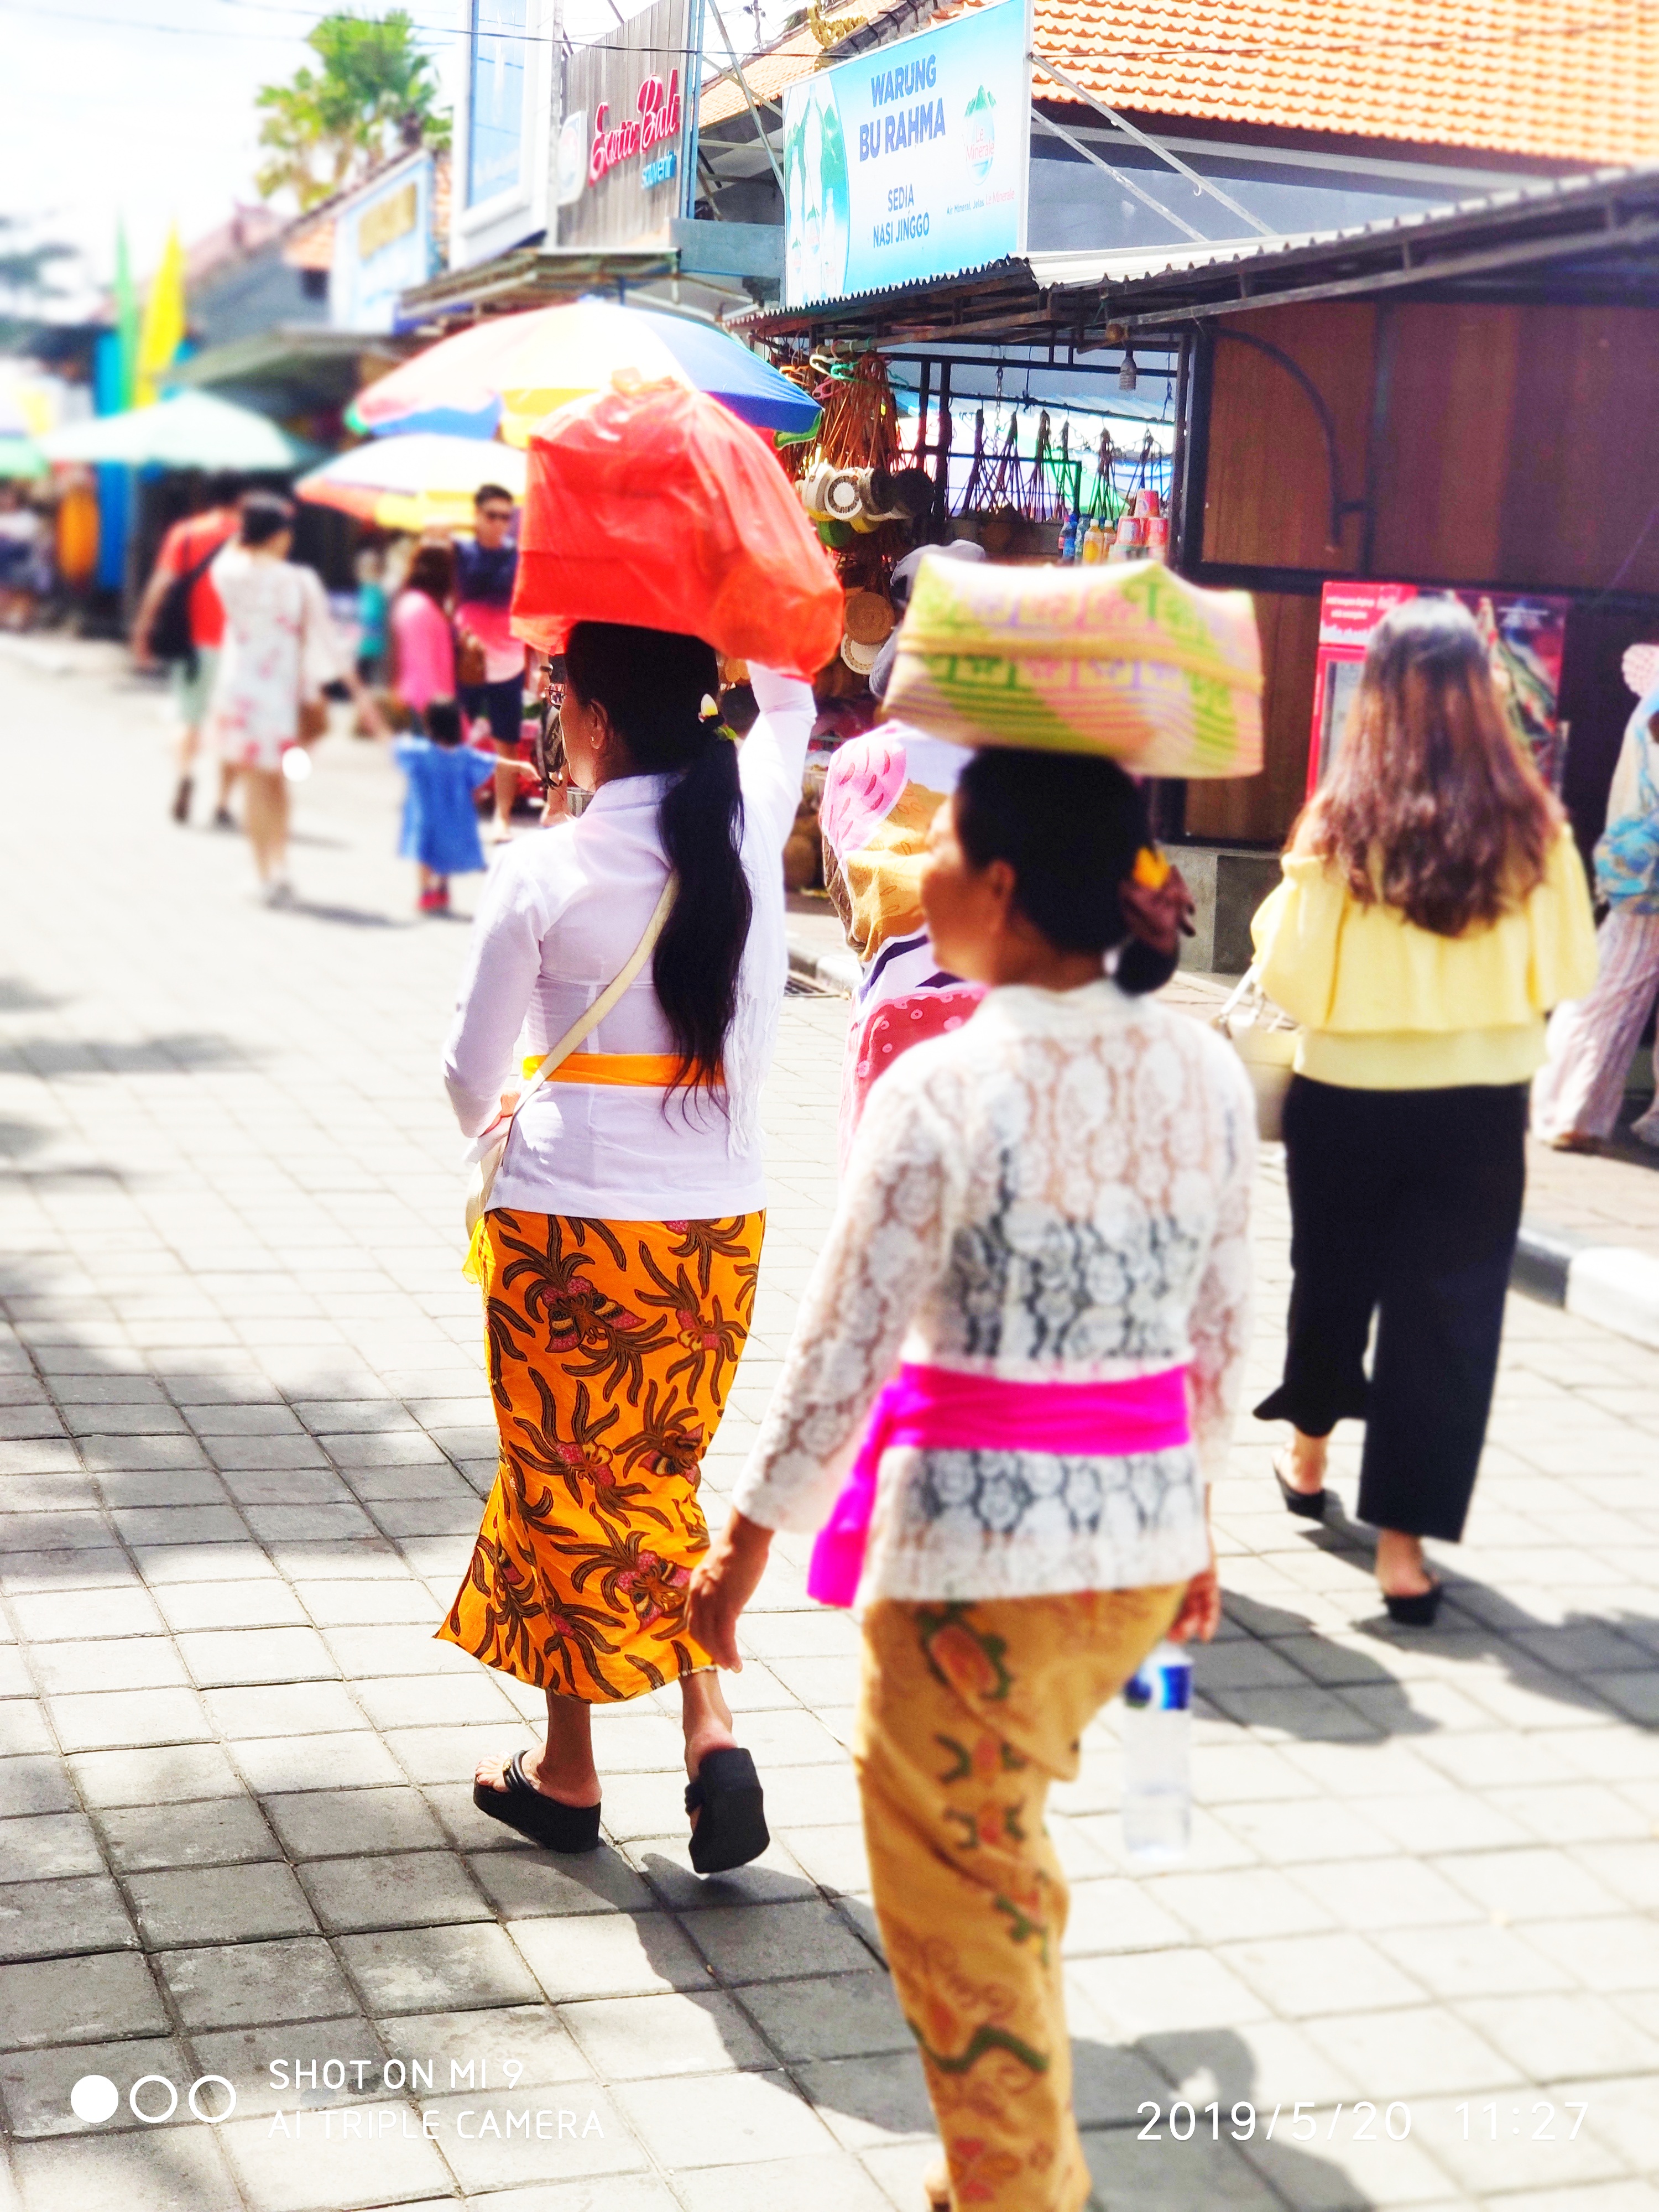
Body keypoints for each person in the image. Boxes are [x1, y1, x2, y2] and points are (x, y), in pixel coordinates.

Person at [688, 747, 1249, 2212]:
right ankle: (995, 2174)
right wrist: (1198, 1527)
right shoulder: (1203, 1065)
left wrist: (743, 1548)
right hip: (1128, 1555)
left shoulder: (945, 1079)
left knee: (961, 1904)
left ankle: (1017, 2190)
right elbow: (1220, 1327)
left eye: (942, 846)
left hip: (972, 1578)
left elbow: (843, 1342)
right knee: (1005, 1862)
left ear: (997, 886)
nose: (914, 868)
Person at [437, 624, 813, 1870]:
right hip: (715, 1220)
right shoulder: (750, 820)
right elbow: (793, 698)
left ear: (591, 717)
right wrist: (735, 607)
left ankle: (572, 1768)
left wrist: (499, 1113)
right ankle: (709, 1728)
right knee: (656, 1466)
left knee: (561, 1477)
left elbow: (465, 1075)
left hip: (567, 1222)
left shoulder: (548, 865)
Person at [1249, 598, 1597, 1621]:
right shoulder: (1531, 823)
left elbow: (1293, 977)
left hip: (1347, 1098)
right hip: (1479, 1107)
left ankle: (1308, 1457)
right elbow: (1570, 966)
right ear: (1481, 686)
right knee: (1447, 1323)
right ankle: (1403, 1554)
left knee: (1331, 1283)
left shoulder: (1340, 819)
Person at [1531, 642, 1659, 1151]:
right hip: (1650, 874)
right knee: (1613, 985)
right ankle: (1569, 1109)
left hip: (1639, 862)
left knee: (1612, 982)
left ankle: (1572, 1108)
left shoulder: (1650, 696)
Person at [207, 493, 360, 904]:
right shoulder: (298, 581)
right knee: (278, 784)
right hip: (283, 696)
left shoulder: (227, 574)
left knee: (256, 784)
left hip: (241, 694)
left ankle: (264, 875)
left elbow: (228, 553)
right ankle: (280, 868)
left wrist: (246, 525)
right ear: (278, 536)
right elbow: (325, 640)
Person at [129, 472, 241, 827]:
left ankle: (184, 774)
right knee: (231, 726)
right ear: (240, 499)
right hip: (237, 648)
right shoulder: (250, 537)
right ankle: (222, 803)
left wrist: (142, 631)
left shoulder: (186, 534)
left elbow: (161, 584)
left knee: (187, 717)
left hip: (193, 645)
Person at [454, 482, 528, 839]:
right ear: (477, 516)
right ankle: (458, 809)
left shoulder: (518, 557)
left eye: (505, 517)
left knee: (506, 742)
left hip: (508, 662)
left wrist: (541, 665)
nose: (500, 523)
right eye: (492, 515)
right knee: (457, 737)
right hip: (467, 661)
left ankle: (502, 818)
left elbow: (530, 610)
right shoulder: (459, 553)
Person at [394, 698, 499, 914]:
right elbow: (488, 765)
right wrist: (518, 766)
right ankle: (442, 888)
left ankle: (425, 892)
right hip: (454, 815)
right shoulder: (463, 755)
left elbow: (396, 749)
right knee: (445, 851)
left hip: (426, 816)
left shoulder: (422, 752)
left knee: (425, 854)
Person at [390, 541, 457, 723]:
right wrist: (437, 711)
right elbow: (422, 665)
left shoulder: (414, 603)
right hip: (428, 705)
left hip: (421, 700)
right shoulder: (421, 609)